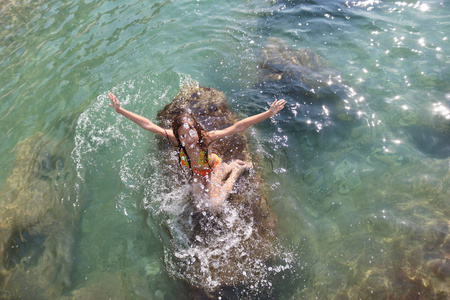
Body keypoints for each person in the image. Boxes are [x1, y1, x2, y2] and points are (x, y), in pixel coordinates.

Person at [108, 92, 286, 211]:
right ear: (177, 135)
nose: (188, 139)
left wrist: (269, 113)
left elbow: (238, 127)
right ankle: (225, 170)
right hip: (198, 172)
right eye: (183, 135)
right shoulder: (176, 139)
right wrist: (120, 110)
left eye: (191, 132)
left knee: (214, 205)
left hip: (211, 167)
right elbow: (148, 125)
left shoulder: (206, 138)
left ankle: (234, 171)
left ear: (197, 129)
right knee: (199, 205)